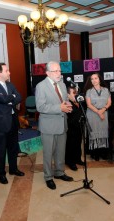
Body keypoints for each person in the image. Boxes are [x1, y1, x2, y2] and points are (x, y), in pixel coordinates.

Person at [35, 61, 74, 190]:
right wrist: (60, 107)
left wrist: (68, 105)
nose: (59, 74)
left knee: (60, 151)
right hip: (48, 126)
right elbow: (40, 107)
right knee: (48, 153)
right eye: (55, 71)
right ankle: (48, 177)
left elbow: (64, 100)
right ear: (47, 73)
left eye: (59, 71)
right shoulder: (41, 86)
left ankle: (59, 172)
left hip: (62, 123)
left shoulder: (62, 84)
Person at [0, 62, 25, 185]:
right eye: (6, 70)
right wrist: (11, 97)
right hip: (1, 123)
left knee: (13, 148)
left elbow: (19, 97)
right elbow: (3, 99)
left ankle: (13, 169)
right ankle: (0, 173)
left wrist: (11, 97)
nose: (9, 72)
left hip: (13, 120)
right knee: (1, 150)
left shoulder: (10, 84)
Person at [83, 73, 112, 161]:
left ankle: (103, 152)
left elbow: (109, 103)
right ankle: (94, 153)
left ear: (99, 79)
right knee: (94, 133)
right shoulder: (89, 91)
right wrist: (99, 113)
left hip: (104, 113)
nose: (94, 80)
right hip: (92, 114)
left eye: (96, 78)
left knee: (103, 133)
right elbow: (88, 105)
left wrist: (102, 110)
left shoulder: (106, 90)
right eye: (92, 79)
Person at [65, 84, 84, 171]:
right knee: (71, 145)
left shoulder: (79, 102)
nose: (76, 94)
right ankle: (70, 162)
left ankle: (77, 159)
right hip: (71, 128)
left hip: (79, 126)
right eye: (73, 93)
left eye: (76, 92)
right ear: (68, 94)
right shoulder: (67, 103)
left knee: (78, 143)